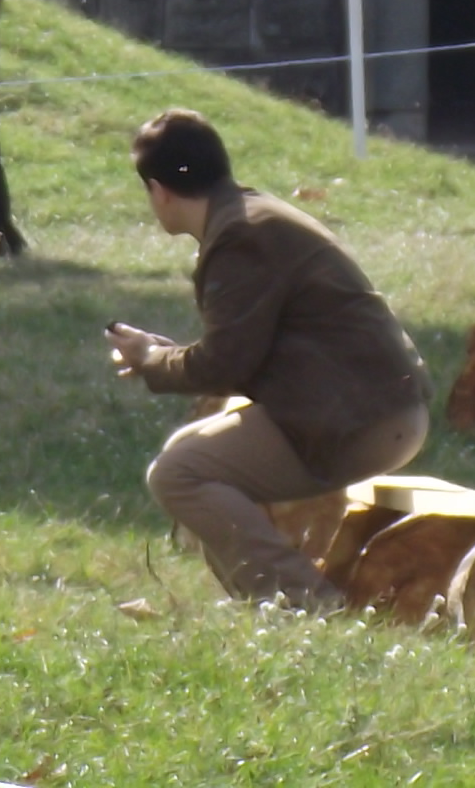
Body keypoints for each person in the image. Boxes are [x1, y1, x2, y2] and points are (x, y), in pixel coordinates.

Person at [104, 109, 431, 612]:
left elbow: (222, 367)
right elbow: (241, 351)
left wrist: (152, 359)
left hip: (360, 421)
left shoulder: (241, 236)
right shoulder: (250, 216)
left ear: (159, 190)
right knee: (189, 451)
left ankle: (307, 605)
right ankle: (267, 602)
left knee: (179, 473)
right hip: (372, 409)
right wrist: (161, 354)